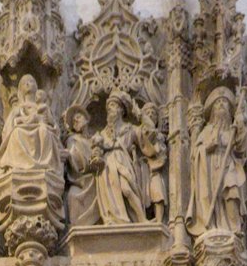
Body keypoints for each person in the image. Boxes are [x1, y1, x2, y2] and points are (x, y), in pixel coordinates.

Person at [0, 74, 64, 235]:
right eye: (25, 82)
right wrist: (22, 120)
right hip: (22, 130)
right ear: (20, 89)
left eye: (32, 81)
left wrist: (45, 120)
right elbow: (9, 127)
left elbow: (53, 125)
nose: (29, 84)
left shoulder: (42, 106)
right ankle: (19, 166)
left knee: (45, 131)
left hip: (39, 129)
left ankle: (43, 164)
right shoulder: (18, 108)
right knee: (16, 134)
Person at [187, 86, 245, 235]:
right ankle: (211, 224)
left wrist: (241, 126)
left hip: (228, 165)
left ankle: (234, 227)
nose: (221, 105)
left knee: (232, 192)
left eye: (224, 102)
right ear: (212, 110)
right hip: (209, 166)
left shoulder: (232, 129)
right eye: (218, 102)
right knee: (209, 194)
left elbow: (242, 149)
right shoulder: (207, 130)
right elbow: (195, 154)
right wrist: (207, 148)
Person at [94, 91, 147, 225]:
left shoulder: (129, 129)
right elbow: (96, 151)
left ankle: (142, 219)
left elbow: (149, 133)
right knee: (111, 191)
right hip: (107, 165)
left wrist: (140, 115)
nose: (109, 110)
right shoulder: (103, 133)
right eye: (108, 107)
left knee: (127, 189)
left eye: (112, 106)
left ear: (120, 110)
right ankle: (115, 218)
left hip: (122, 160)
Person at [63, 105, 100, 227]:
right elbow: (77, 163)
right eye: (73, 122)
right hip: (81, 179)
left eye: (78, 117)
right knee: (72, 195)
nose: (76, 121)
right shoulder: (72, 140)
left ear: (87, 118)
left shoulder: (95, 139)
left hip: (97, 178)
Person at [137, 102, 168, 224]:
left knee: (157, 191)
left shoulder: (159, 135)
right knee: (142, 194)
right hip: (142, 169)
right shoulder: (139, 132)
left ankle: (159, 220)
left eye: (153, 114)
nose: (151, 115)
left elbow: (157, 151)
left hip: (155, 170)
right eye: (148, 113)